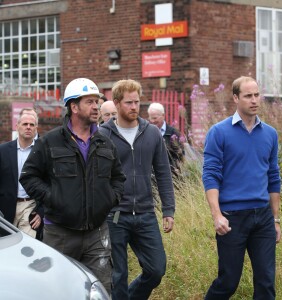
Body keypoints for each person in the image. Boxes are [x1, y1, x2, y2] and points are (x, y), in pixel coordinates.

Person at [20, 78, 126, 295]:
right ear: (74, 107)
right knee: (58, 291)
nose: (96, 106)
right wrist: (53, 199)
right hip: (59, 233)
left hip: (97, 233)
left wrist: (109, 199)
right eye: (90, 102)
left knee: (100, 289)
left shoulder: (105, 142)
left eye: (97, 101)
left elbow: (118, 178)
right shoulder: (50, 142)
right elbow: (29, 176)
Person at [202, 76, 281, 300]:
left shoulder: (270, 134)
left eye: (257, 95)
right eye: (248, 96)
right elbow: (210, 175)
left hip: (263, 217)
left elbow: (273, 177)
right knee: (228, 282)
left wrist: (276, 219)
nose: (254, 100)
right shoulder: (219, 132)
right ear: (236, 98)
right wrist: (217, 215)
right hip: (232, 218)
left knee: (266, 282)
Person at [99, 79, 175, 300]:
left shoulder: (151, 133)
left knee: (156, 269)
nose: (134, 107)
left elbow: (163, 172)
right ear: (116, 103)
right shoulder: (103, 135)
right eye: (128, 102)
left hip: (145, 214)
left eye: (137, 102)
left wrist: (168, 209)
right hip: (115, 216)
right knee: (118, 274)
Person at [0, 108, 43, 238]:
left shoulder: (43, 151)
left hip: (30, 206)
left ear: (36, 128)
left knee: (28, 249)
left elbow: (50, 182)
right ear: (17, 126)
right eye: (25, 124)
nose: (28, 127)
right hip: (6, 207)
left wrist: (42, 212)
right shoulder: (3, 151)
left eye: (32, 125)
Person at [148, 102, 184, 175]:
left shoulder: (173, 133)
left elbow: (180, 155)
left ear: (163, 116)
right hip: (151, 175)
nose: (152, 121)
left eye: (155, 118)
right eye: (151, 118)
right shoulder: (146, 132)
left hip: (171, 175)